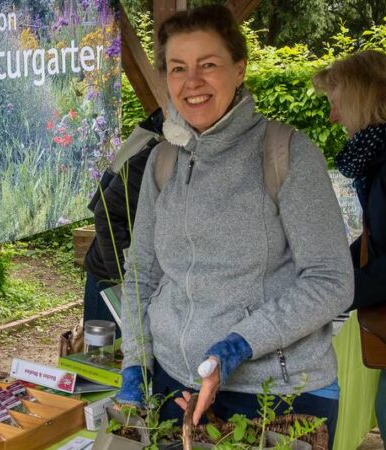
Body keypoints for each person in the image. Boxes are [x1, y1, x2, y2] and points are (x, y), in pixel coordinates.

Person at [113, 5, 353, 446]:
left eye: (209, 65)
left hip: (276, 396)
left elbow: (331, 280)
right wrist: (135, 361)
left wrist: (239, 344)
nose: (192, 82)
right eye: (178, 68)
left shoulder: (287, 153)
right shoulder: (163, 159)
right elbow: (142, 272)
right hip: (173, 387)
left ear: (239, 69)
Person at [313, 49, 386, 448]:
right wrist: (330, 267)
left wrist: (333, 291)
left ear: (362, 98)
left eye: (336, 104)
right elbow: (377, 237)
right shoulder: (379, 157)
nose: (333, 117)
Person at [82, 108, 163, 335]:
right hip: (109, 279)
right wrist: (124, 274)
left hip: (140, 279)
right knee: (103, 360)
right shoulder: (153, 159)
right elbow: (105, 213)